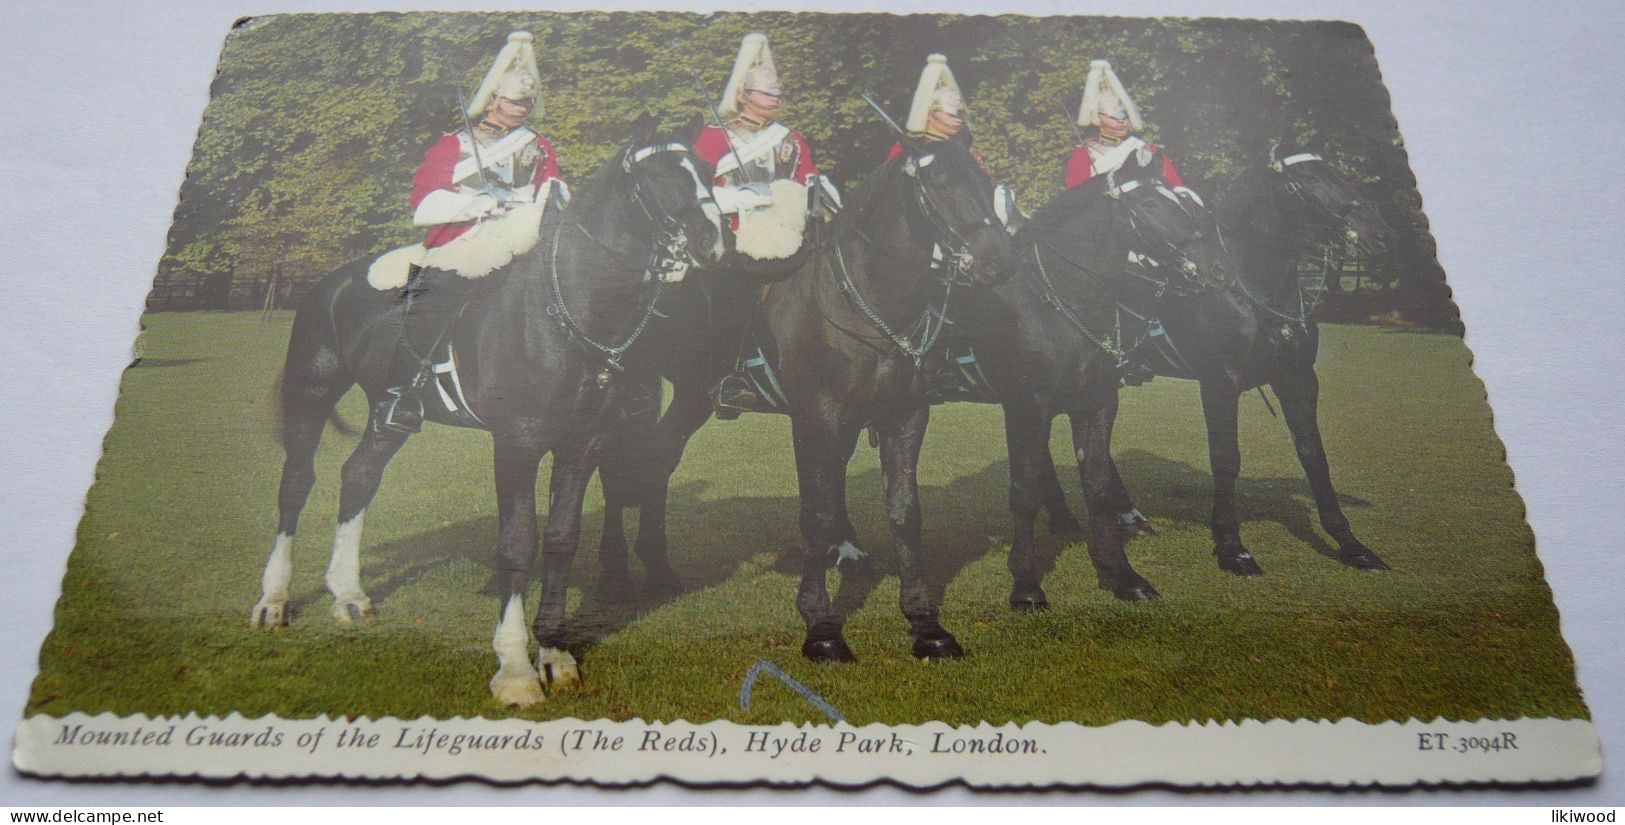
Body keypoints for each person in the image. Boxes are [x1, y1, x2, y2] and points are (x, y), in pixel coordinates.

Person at [376, 31, 568, 435]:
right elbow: (423, 201)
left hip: (525, 231)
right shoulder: (456, 144)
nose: (521, 109)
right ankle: (399, 393)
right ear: (494, 99)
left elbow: (551, 185)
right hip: (464, 237)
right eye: (515, 101)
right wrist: (475, 205)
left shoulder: (538, 143)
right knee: (434, 294)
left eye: (527, 103)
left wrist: (547, 200)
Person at [693, 32, 839, 416]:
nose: (776, 99)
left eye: (779, 94)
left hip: (790, 234)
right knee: (735, 294)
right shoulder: (712, 139)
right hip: (736, 238)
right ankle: (733, 375)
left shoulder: (792, 140)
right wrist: (743, 200)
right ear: (745, 95)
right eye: (767, 93)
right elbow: (697, 192)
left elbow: (809, 180)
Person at [884, 53, 1021, 230]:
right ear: (931, 113)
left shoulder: (966, 150)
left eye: (958, 114)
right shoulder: (904, 150)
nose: (957, 119)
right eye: (950, 114)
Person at [1064, 59, 1198, 203]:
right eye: (1114, 117)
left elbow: (1176, 186)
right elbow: (1076, 198)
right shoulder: (1084, 154)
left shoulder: (1148, 151)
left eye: (1125, 116)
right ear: (1099, 118)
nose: (1122, 121)